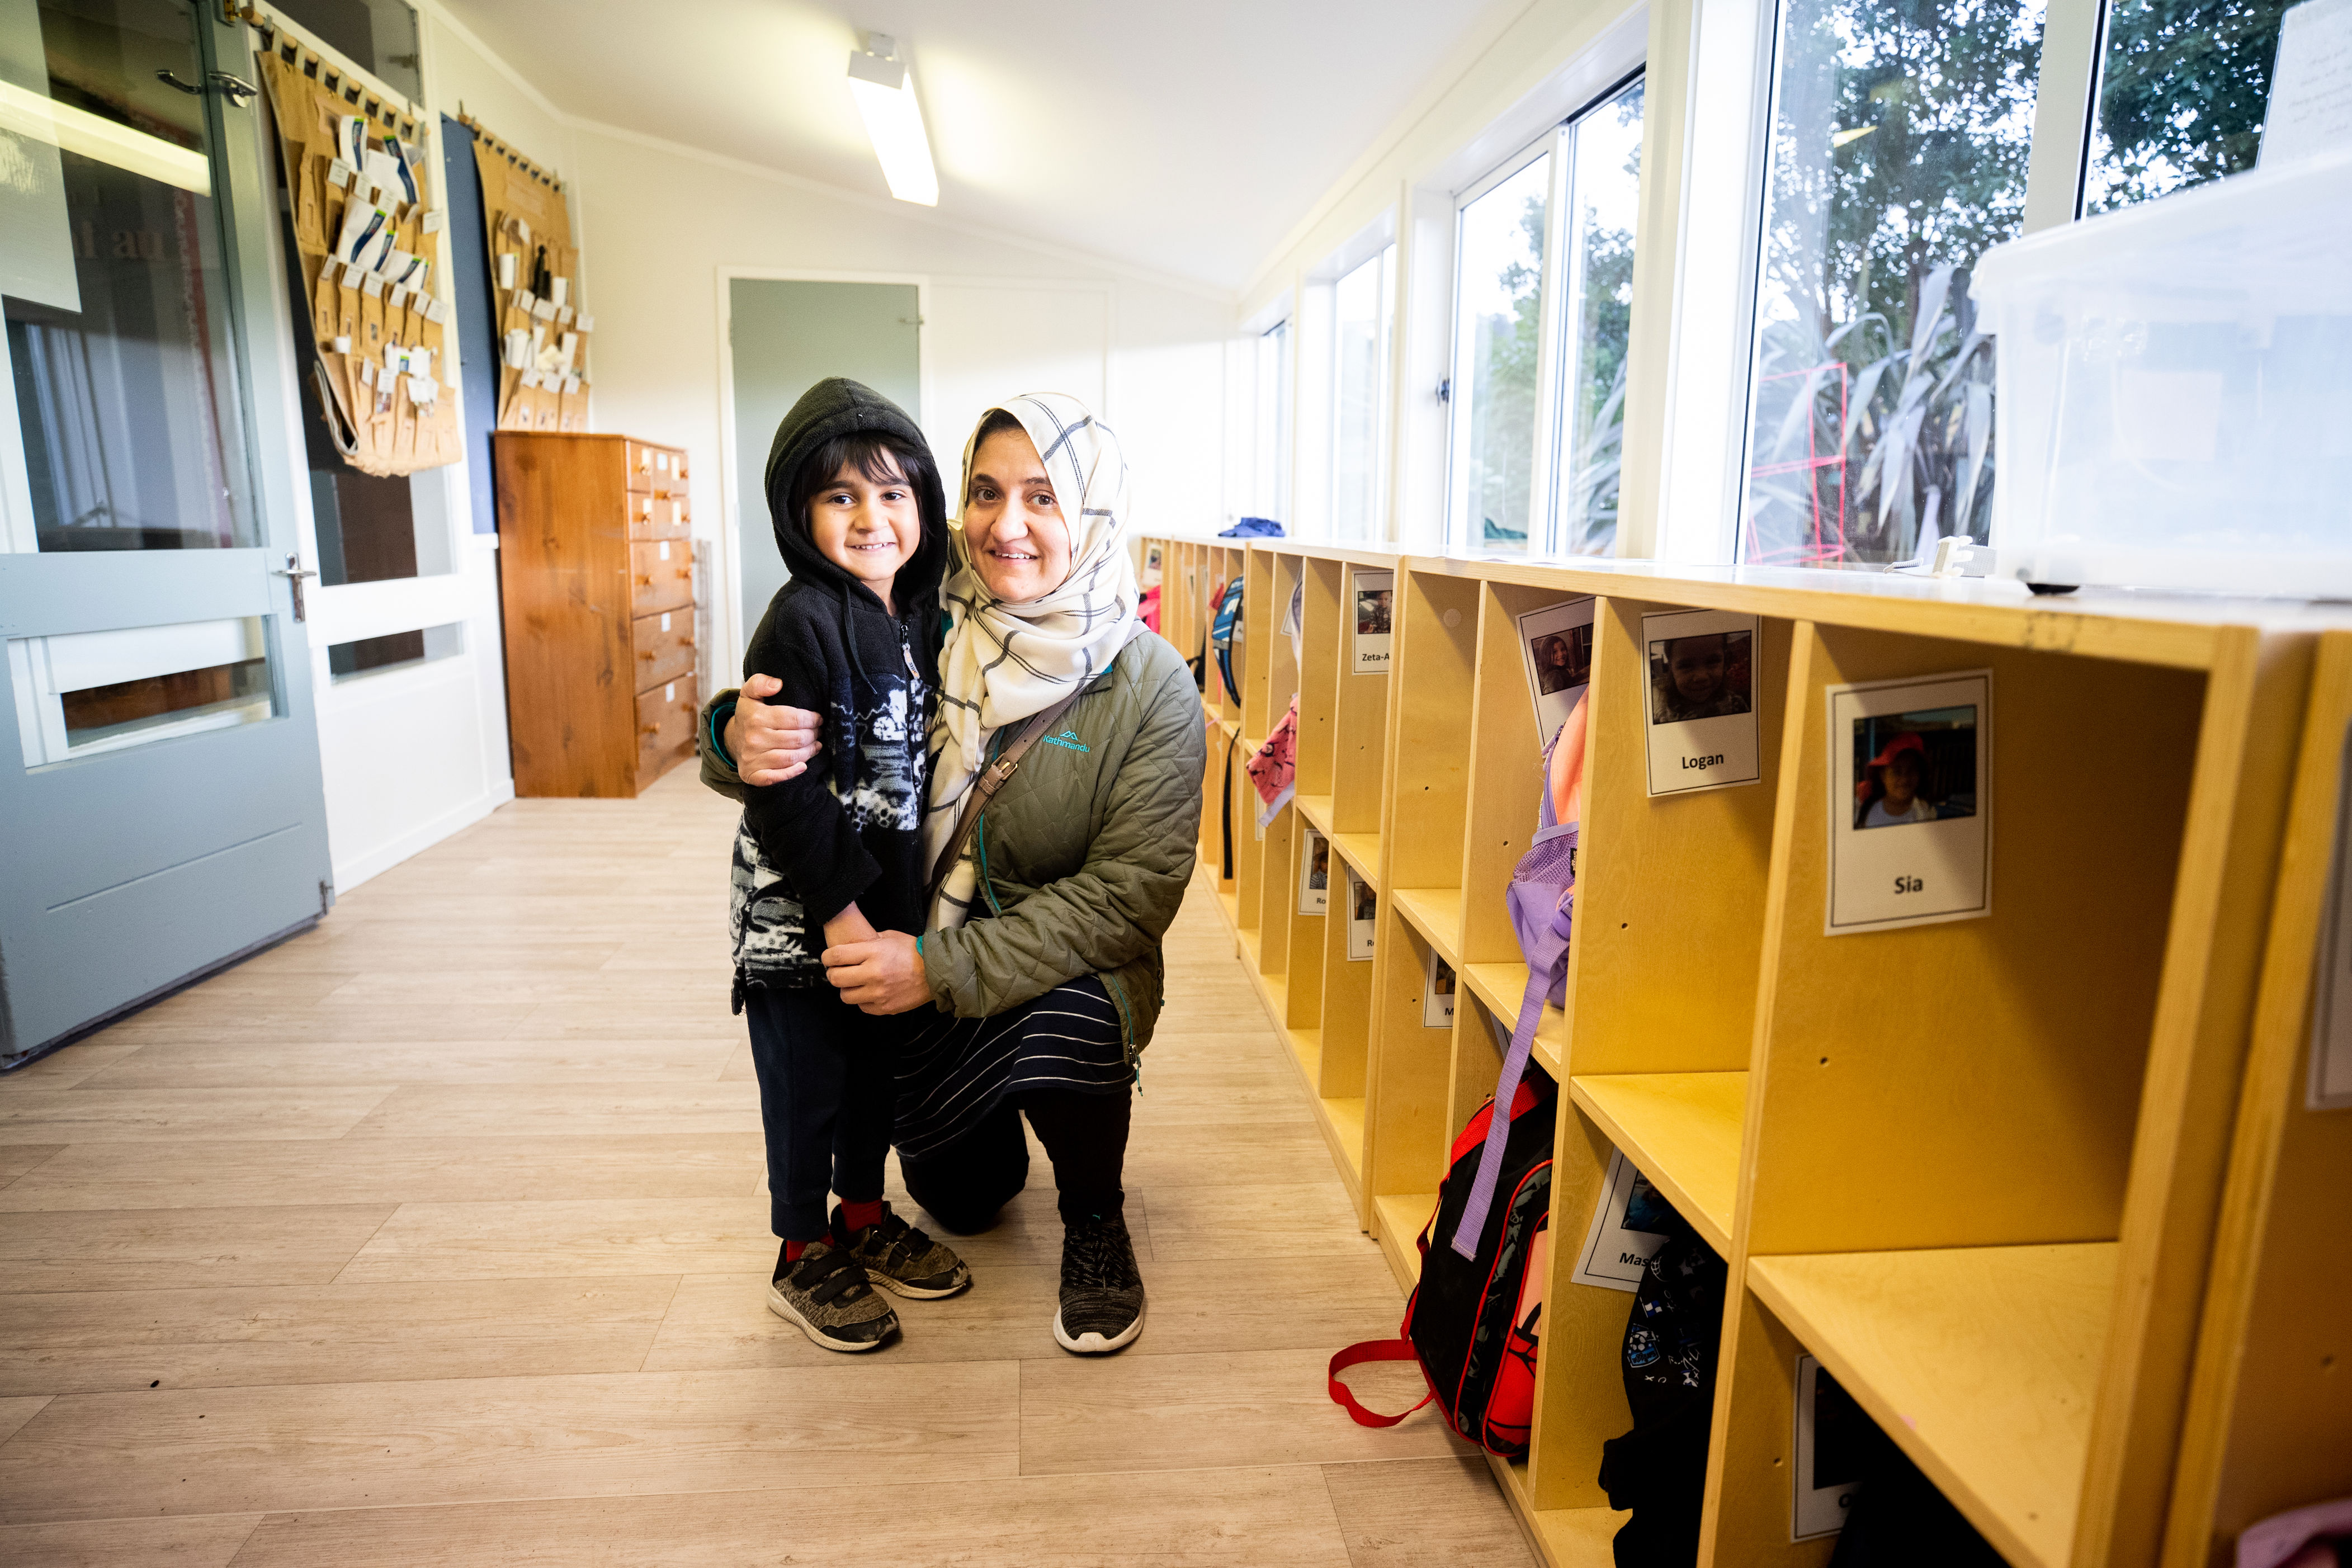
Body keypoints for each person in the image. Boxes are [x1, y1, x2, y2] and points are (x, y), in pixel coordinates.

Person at [700, 392, 1205, 1356]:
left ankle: (1095, 1220)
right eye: (985, 492)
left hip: (1008, 970)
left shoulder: (1151, 686)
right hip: (886, 960)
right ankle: (872, 1198)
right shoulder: (926, 618)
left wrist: (934, 966)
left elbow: (1125, 901)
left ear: (1093, 515)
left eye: (1045, 498)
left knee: (1084, 1014)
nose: (1006, 525)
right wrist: (732, 727)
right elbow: (805, 721)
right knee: (963, 1199)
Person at [727, 377, 972, 1355]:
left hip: (884, 908)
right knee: (807, 1081)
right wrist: (842, 918)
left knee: (874, 1074)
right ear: (799, 511)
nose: (872, 516)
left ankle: (863, 1214)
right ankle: (800, 1245)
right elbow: (781, 787)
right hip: (803, 917)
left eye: (893, 492)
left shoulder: (921, 615)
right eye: (841, 496)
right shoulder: (800, 619)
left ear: (924, 504)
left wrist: (894, 921)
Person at [1652, 632, 1751, 721]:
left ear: (1725, 662)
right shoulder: (1660, 716)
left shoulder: (1737, 705)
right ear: (1671, 668)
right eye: (1686, 665)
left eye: (1712, 661)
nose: (1701, 677)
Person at [1855, 732, 1940, 828]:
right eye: (1897, 772)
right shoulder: (1866, 812)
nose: (1904, 780)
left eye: (1911, 771)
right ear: (1883, 776)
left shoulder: (1927, 813)